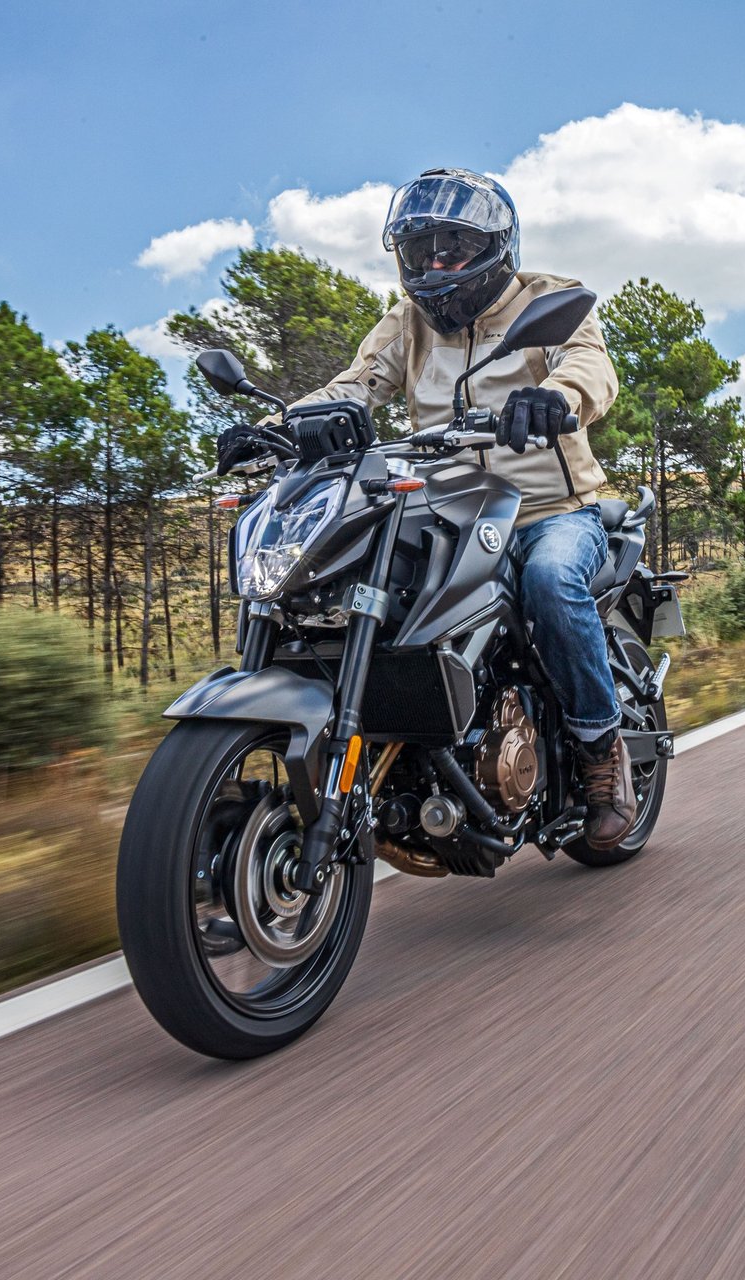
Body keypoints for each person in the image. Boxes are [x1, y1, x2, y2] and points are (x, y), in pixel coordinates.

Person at [218, 168, 637, 847]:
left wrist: (556, 398)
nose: (438, 263)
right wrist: (282, 426)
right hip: (447, 510)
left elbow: (589, 363)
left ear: (496, 247)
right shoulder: (408, 322)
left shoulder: (548, 299)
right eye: (424, 249)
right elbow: (355, 384)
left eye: (454, 246)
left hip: (547, 509)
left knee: (552, 582)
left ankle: (599, 750)